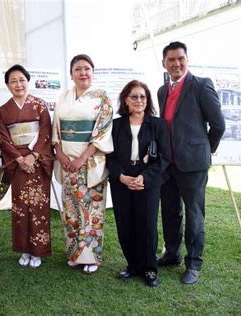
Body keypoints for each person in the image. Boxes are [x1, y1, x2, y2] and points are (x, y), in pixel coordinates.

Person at [157, 41, 225, 285]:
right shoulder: (162, 90)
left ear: (187, 59)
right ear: (164, 63)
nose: (176, 63)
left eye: (180, 58)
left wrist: (207, 148)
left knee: (194, 214)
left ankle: (194, 263)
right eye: (171, 60)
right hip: (169, 164)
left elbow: (218, 125)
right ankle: (172, 254)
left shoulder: (201, 85)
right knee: (170, 211)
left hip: (193, 164)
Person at [52, 54, 113, 274]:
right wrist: (60, 154)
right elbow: (56, 129)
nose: (83, 73)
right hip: (67, 162)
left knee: (91, 209)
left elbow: (102, 132)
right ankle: (74, 254)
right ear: (71, 73)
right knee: (71, 209)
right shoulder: (63, 97)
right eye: (78, 69)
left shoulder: (102, 99)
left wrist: (81, 158)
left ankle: (91, 257)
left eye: (87, 68)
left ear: (92, 72)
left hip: (89, 163)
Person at [106, 80, 170, 287]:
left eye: (143, 96)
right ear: (125, 99)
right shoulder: (115, 125)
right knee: (125, 224)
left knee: (147, 225)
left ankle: (149, 268)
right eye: (134, 96)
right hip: (121, 181)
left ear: (148, 100)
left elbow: (164, 157)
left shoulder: (158, 125)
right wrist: (122, 177)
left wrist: (144, 178)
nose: (139, 100)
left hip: (148, 182)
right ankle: (132, 265)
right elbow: (109, 156)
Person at [0, 65, 54, 268]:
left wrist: (34, 155)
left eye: (21, 80)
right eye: (13, 81)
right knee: (21, 206)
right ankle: (24, 249)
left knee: (38, 206)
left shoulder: (40, 105)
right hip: (19, 163)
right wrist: (20, 160)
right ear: (7, 85)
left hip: (37, 162)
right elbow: (3, 139)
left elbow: (46, 131)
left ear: (27, 81)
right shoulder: (3, 111)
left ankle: (37, 250)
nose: (18, 84)